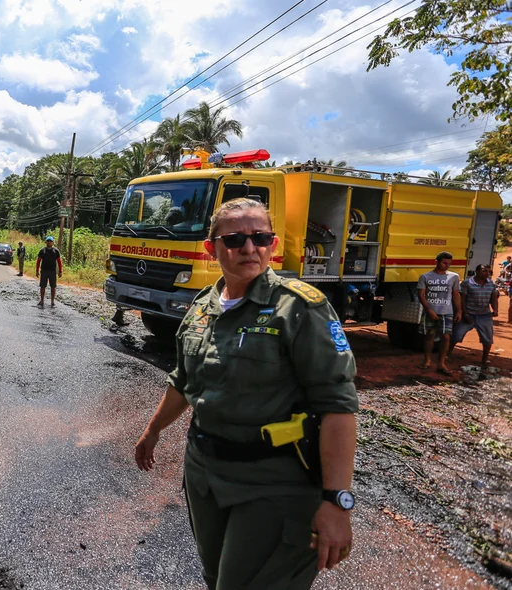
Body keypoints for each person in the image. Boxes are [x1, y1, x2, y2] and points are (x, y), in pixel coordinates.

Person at [134, 198, 358, 590]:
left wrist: (337, 501)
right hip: (206, 473)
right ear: (212, 248)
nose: (250, 248)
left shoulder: (300, 308)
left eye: (261, 238)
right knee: (217, 577)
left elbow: (337, 405)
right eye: (235, 239)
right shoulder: (203, 305)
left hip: (274, 482)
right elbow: (184, 382)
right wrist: (153, 431)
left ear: (273, 244)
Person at [417, 252, 462, 375]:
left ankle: (441, 363)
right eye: (444, 263)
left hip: (447, 312)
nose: (447, 265)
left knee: (446, 337)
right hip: (430, 311)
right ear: (436, 262)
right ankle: (427, 360)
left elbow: (456, 294)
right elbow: (421, 295)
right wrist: (429, 310)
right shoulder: (425, 277)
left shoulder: (454, 277)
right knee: (429, 336)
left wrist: (459, 310)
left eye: (449, 263)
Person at [451, 264, 500, 369]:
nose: (486, 273)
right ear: (476, 271)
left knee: (487, 338)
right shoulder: (467, 283)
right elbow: (462, 299)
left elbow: (494, 297)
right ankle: (447, 354)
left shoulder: (491, 284)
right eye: (484, 271)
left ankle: (485, 359)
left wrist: (495, 310)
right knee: (456, 335)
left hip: (484, 314)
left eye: (488, 271)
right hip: (469, 314)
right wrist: (465, 314)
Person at [35, 236, 62, 307]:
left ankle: (52, 302)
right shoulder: (42, 250)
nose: (49, 242)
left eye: (50, 241)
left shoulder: (56, 251)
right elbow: (38, 261)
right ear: (46, 242)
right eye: (48, 241)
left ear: (53, 242)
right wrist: (37, 270)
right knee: (42, 286)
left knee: (53, 286)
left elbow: (59, 262)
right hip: (44, 271)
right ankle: (42, 300)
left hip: (52, 271)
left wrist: (60, 271)